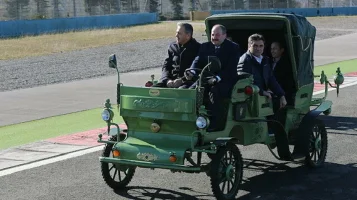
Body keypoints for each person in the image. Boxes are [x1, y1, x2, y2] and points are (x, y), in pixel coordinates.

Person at [185, 24, 241, 131]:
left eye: (218, 35)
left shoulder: (233, 48)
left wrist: (217, 78)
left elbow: (231, 68)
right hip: (207, 78)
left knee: (214, 92)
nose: (214, 37)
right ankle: (193, 120)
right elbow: (197, 60)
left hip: (225, 79)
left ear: (224, 35)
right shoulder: (205, 46)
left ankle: (215, 123)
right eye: (212, 34)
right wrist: (191, 71)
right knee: (191, 91)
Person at [238, 33, 287, 110]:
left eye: (261, 46)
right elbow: (243, 83)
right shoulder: (244, 61)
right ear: (249, 46)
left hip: (263, 97)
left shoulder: (265, 60)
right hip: (250, 99)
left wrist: (281, 95)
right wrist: (262, 92)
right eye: (255, 46)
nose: (258, 49)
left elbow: (271, 79)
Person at [153, 22, 201, 88]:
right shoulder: (172, 47)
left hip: (187, 82)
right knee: (153, 90)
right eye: (176, 33)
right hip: (170, 81)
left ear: (188, 35)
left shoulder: (198, 48)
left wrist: (182, 80)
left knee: (181, 91)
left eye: (179, 33)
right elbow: (166, 66)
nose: (176, 35)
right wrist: (167, 80)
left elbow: (197, 69)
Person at [270, 41, 296, 106]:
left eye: (275, 49)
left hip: (282, 95)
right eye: (271, 49)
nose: (272, 51)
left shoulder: (286, 65)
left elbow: (287, 83)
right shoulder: (268, 62)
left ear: (282, 50)